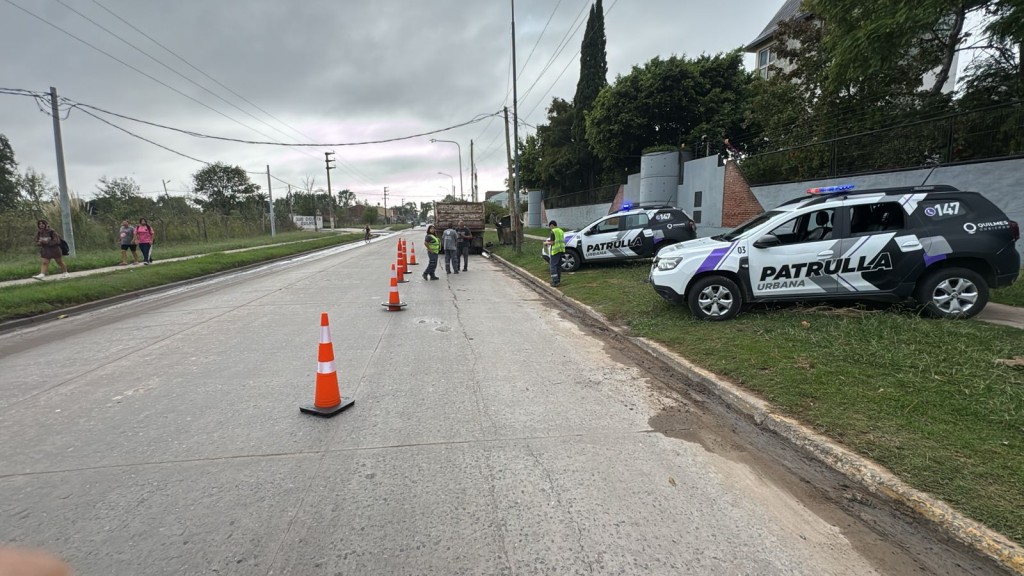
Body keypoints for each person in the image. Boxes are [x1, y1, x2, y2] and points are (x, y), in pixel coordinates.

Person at [544, 219, 565, 287]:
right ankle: (558, 280)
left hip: (555, 251)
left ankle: (555, 281)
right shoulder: (561, 231)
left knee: (553, 266)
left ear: (552, 225)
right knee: (558, 266)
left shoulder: (553, 231)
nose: (550, 228)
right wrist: (550, 241)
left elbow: (553, 242)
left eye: (550, 227)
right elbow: (558, 240)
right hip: (561, 250)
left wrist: (546, 243)